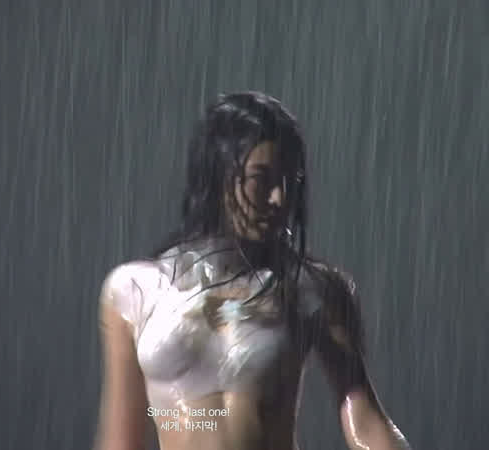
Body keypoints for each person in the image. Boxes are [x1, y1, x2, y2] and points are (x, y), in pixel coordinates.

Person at [94, 91, 411, 450]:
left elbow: (366, 421)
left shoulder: (314, 289)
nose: (279, 198)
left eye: (289, 182)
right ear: (217, 177)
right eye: (262, 180)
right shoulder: (132, 290)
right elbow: (120, 440)